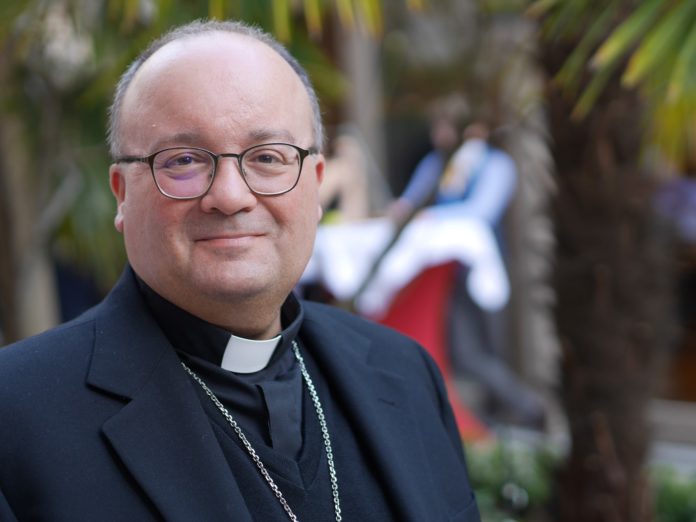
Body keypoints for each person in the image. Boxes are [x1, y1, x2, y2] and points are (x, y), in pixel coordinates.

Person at [0, 20, 480, 521]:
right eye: (183, 160)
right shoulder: (14, 415)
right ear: (122, 194)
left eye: (268, 157)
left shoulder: (404, 373)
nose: (230, 196)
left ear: (316, 185)